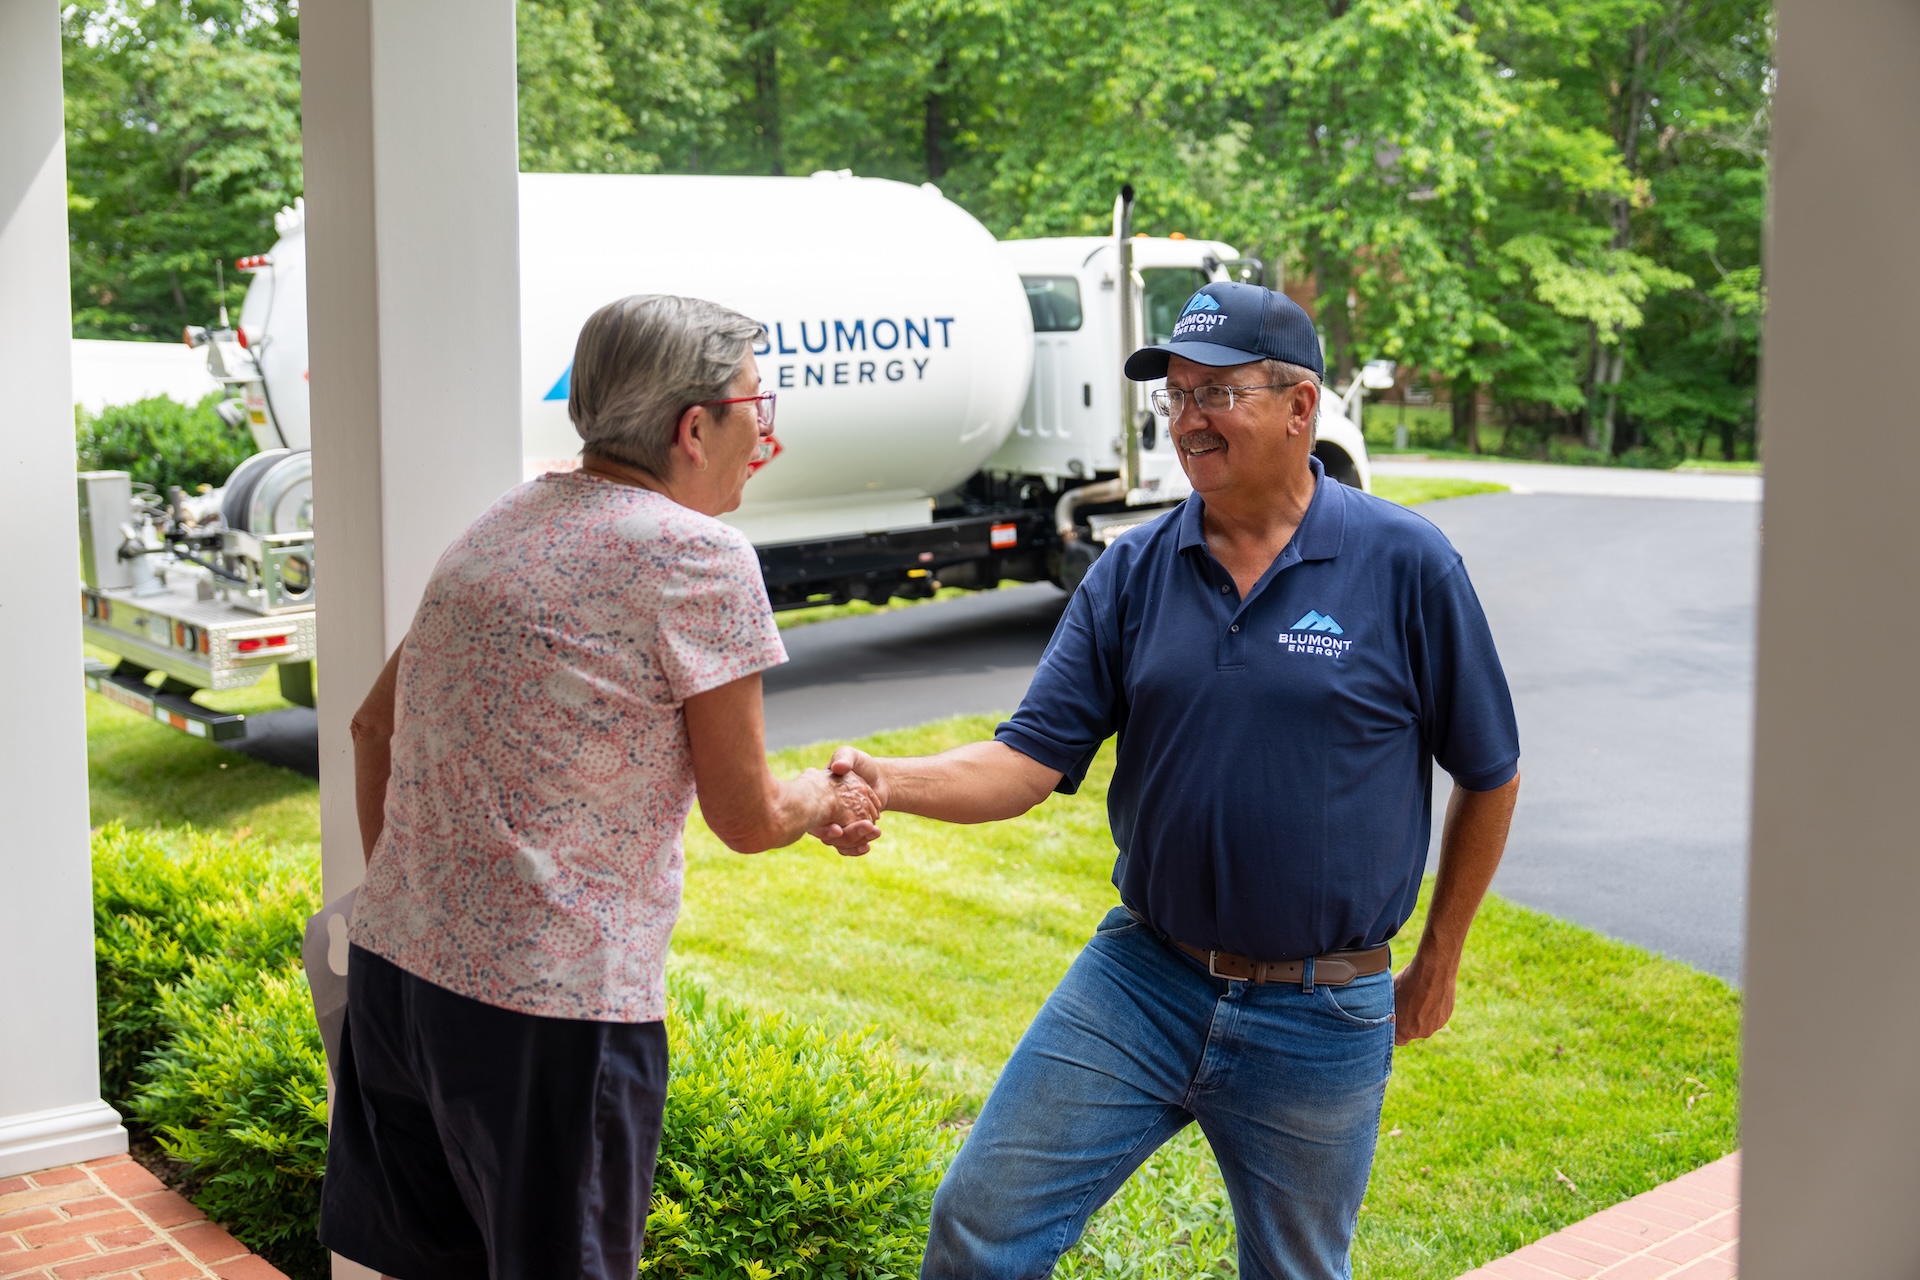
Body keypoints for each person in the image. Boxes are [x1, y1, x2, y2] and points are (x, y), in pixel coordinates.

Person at [824, 281, 1521, 1280]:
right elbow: (1024, 762)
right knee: (980, 1224)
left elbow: (1490, 770)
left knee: (1296, 1270)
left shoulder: (1406, 563)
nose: (1187, 419)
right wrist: (885, 777)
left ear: (1299, 406)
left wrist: (1441, 956)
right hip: (1143, 978)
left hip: (1321, 1007)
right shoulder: (1132, 570)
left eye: (1215, 393)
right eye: (1176, 395)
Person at [318, 294, 882, 1280]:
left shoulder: (505, 518)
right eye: (760, 403)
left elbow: (372, 724)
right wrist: (828, 799)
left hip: (397, 977)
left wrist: (425, 904)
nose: (769, 437)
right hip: (549, 1016)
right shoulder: (699, 557)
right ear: (693, 425)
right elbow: (746, 816)